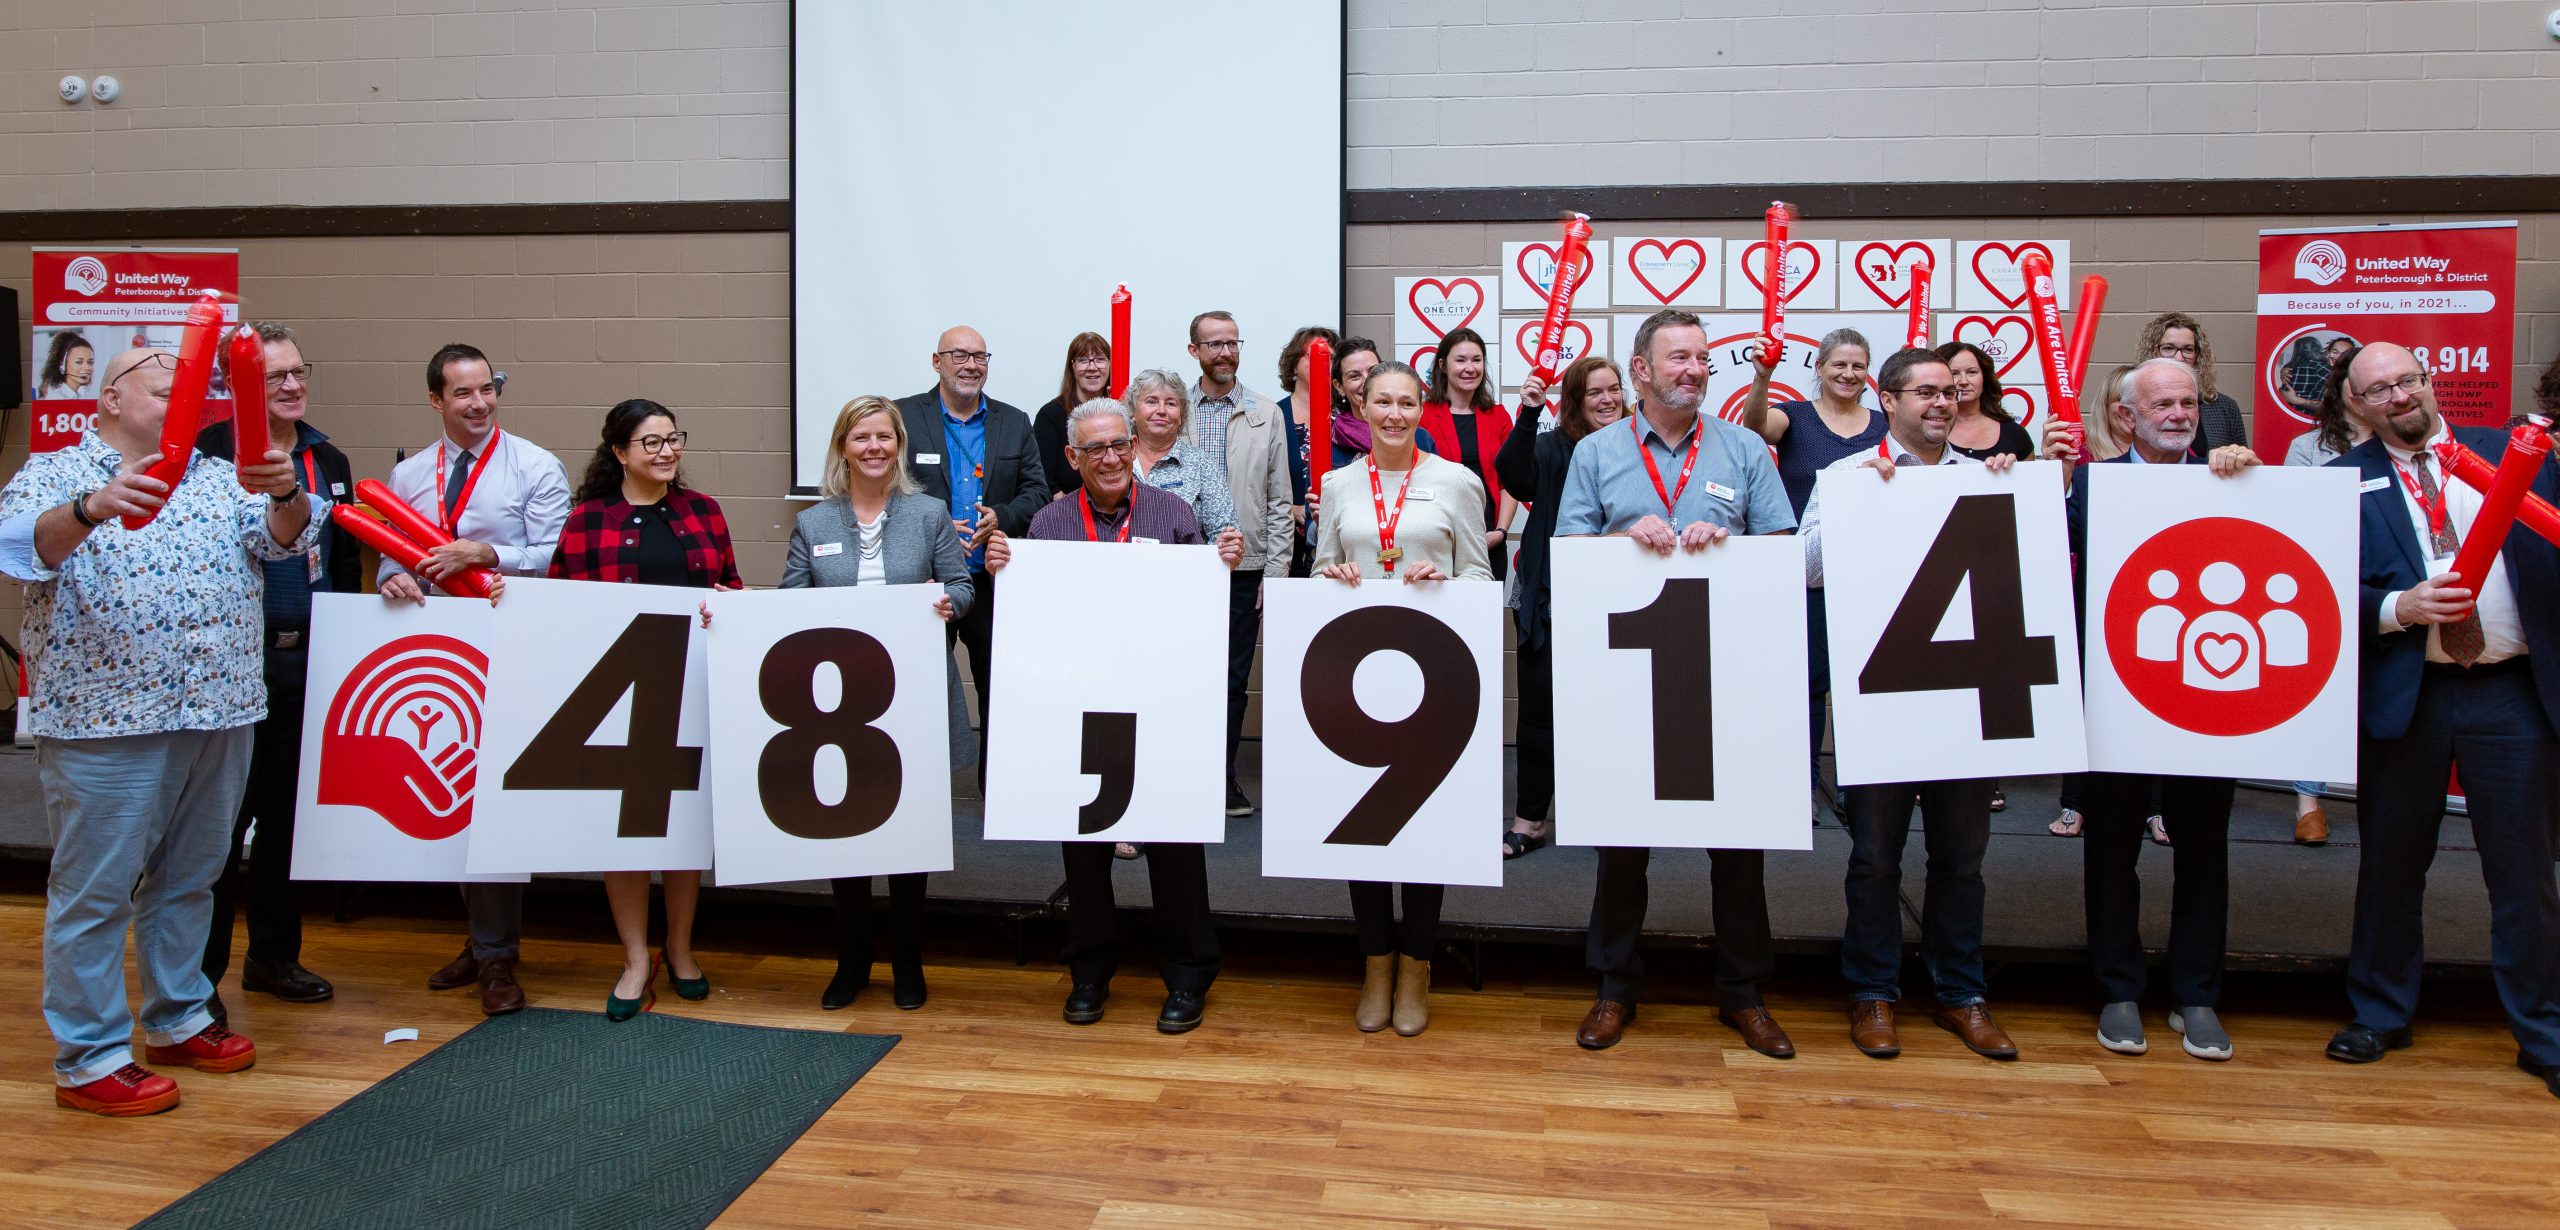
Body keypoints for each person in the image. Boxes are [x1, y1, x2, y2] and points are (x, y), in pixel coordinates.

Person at [1, 346, 323, 1116]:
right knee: (96, 890)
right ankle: (89, 1057)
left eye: (190, 392)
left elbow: (283, 541)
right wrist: (92, 507)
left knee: (193, 876)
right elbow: (21, 550)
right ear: (111, 398)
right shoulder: (56, 471)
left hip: (220, 707)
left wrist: (287, 493)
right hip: (106, 718)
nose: (185, 402)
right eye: (163, 389)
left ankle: (178, 1017)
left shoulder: (219, 477)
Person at [1552, 308, 1799, 1059]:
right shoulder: (1596, 452)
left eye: (1701, 359)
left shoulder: (1745, 447)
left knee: (1739, 841)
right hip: (1630, 678)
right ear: (1641, 370)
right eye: (1678, 358)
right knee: (1622, 842)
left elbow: (1782, 545)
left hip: (1729, 675)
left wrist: (1731, 546)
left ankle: (1744, 993)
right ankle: (1613, 987)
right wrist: (1618, 538)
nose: (1694, 370)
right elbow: (1567, 549)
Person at [2324, 342, 2560, 1099]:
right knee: (2390, 866)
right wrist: (2399, 607)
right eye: (2379, 389)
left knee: (2525, 872)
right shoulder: (2339, 482)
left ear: (2430, 383)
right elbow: (2319, 591)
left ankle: (2545, 1031)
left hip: (2512, 691)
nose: (2399, 396)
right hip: (2409, 693)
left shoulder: (2520, 458)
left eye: (2408, 380)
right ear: (2356, 404)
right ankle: (2379, 1013)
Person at [1800, 347, 2046, 1063]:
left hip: (1968, 693)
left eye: (1950, 392)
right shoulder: (1850, 475)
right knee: (1875, 857)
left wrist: (2024, 488)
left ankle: (1961, 993)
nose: (1943, 403)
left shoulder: (1988, 474)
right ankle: (1872, 991)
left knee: (1961, 859)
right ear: (1889, 400)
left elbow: (2034, 566)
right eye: (1926, 393)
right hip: (1884, 695)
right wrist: (1859, 507)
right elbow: (1806, 570)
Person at [989, 398, 1245, 1034]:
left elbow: (1198, 609)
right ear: (1072, 458)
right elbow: (1034, 621)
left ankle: (1188, 974)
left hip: (1160, 703)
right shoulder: (1049, 524)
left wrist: (1220, 565)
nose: (1109, 458)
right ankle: (1089, 972)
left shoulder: (1174, 513)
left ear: (1133, 447)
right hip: (1081, 705)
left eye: (1118, 445)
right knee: (1083, 848)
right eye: (1094, 449)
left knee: (1175, 843)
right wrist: (1005, 574)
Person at [2060, 358, 2262, 1062]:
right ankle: (2118, 988)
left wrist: (2256, 480)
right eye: (2163, 405)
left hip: (2208, 692)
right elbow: (2043, 546)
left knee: (2204, 847)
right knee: (2111, 847)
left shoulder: (2232, 479)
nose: (2179, 415)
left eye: (2188, 404)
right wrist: (2050, 477)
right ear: (2127, 416)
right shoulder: (2090, 483)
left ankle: (2197, 994)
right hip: (2117, 691)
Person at [379, 342, 572, 1016]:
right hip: (434, 658)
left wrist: (488, 552)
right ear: (436, 401)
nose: (480, 403)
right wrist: (392, 577)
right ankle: (482, 940)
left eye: (488, 388)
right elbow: (392, 556)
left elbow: (556, 557)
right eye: (463, 393)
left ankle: (496, 954)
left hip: (509, 649)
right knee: (451, 798)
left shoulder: (534, 466)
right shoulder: (408, 475)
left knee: (495, 801)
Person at [1308, 360, 1493, 1036]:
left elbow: (1480, 575)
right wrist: (1333, 575)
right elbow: (1318, 571)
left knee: (1423, 828)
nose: (1393, 414)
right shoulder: (1338, 484)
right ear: (1362, 405)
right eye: (1381, 402)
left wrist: (1442, 582)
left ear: (1423, 408)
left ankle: (1417, 965)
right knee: (1364, 827)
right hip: (1358, 679)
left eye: (1406, 403)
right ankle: (1376, 963)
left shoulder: (1457, 481)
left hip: (1432, 674)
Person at [544, 399, 741, 1021]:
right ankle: (635, 958)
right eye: (650, 442)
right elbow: (557, 602)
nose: (666, 451)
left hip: (691, 685)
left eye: (672, 439)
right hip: (615, 696)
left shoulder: (704, 511)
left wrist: (725, 605)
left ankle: (680, 949)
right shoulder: (586, 520)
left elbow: (733, 587)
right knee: (626, 830)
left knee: (683, 827)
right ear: (619, 452)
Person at [783, 395, 977, 1012]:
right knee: (847, 832)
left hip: (911, 699)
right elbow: (789, 606)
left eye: (884, 437)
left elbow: (963, 585)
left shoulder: (928, 513)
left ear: (898, 446)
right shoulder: (814, 524)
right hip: (837, 707)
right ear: (843, 447)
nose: (874, 447)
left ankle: (907, 959)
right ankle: (853, 958)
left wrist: (948, 603)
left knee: (908, 834)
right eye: (861, 437)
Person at [192, 323, 359, 1022]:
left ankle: (273, 958)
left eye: (298, 371)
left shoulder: (328, 457)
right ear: (239, 388)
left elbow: (344, 563)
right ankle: (196, 983)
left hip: (307, 660)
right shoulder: (205, 456)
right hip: (235, 665)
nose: (292, 385)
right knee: (218, 829)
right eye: (274, 376)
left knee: (288, 821)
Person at [1740, 327, 1887, 821]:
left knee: (1863, 685)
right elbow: (1755, 427)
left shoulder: (1885, 425)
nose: (1848, 373)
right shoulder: (1796, 417)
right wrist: (1762, 377)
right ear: (1819, 368)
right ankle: (1801, 786)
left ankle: (1859, 789)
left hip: (1869, 574)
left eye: (1858, 366)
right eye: (1839, 364)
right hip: (1805, 573)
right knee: (1807, 685)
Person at [895, 326, 1049, 788]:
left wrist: (1002, 516)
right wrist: (934, 522)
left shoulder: (1013, 421)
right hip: (926, 583)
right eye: (959, 355)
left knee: (998, 688)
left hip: (991, 580)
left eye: (980, 356)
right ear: (936, 361)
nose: (970, 365)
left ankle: (996, 790)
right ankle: (914, 787)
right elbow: (883, 486)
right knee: (917, 688)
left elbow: (1038, 492)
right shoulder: (902, 417)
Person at [1496, 354, 1627, 859]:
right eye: (1595, 392)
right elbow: (1513, 476)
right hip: (1549, 600)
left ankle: (1609, 814)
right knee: (1539, 713)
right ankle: (1529, 821)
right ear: (1574, 400)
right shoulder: (1553, 447)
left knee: (1615, 711)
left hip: (1622, 600)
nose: (1607, 400)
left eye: (1614, 389)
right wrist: (1529, 411)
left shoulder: (1638, 446)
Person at [1185, 310, 1294, 818]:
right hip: (1181, 564)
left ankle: (1221, 778)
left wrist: (1275, 572)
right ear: (1195, 351)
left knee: (1231, 680)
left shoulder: (1264, 413)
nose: (1225, 352)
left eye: (1232, 343)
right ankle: (1179, 774)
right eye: (1214, 344)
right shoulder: (1173, 407)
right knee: (1180, 672)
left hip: (1244, 569)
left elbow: (1279, 499)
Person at [2283, 345, 2370, 845]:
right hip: (2320, 580)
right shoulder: (2308, 446)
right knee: (2318, 690)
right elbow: (2291, 515)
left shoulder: (2401, 446)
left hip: (2386, 582)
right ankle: (2308, 801)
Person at [1417, 327, 1519, 583]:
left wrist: (1501, 531)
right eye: (1460, 360)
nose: (1470, 368)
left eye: (1476, 360)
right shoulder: (1422, 416)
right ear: (1442, 365)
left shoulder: (1499, 416)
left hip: (1488, 538)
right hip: (1435, 535)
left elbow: (1509, 482)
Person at [1128, 368, 1239, 539]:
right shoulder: (1116, 458)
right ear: (1133, 412)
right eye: (1151, 401)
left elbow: (1225, 533)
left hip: (1186, 557)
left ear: (1182, 416)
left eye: (1171, 404)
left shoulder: (1201, 464)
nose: (1161, 410)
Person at [1275, 326, 1341, 576]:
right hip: (1287, 544)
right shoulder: (1273, 416)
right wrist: (1291, 509)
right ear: (1293, 365)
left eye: (1332, 358)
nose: (1324, 361)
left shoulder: (1347, 419)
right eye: (1311, 354)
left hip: (1337, 541)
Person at [2141, 312, 2250, 450]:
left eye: (2188, 349)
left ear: (2197, 356)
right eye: (2168, 348)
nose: (2179, 358)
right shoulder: (2134, 402)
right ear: (2152, 352)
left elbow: (2241, 458)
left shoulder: (2225, 407)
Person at [1034, 332, 1111, 500]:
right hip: (1067, 507)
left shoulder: (1120, 413)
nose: (1092, 367)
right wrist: (1068, 509)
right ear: (1072, 366)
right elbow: (1042, 475)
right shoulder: (1050, 415)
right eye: (1083, 360)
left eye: (1100, 359)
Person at [1938, 339, 2036, 462]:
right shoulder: (1927, 430)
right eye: (1954, 373)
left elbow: (2032, 474)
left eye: (1972, 372)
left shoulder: (2015, 433)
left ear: (1984, 378)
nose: (1964, 381)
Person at [2276, 334, 2332, 420]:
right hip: (2309, 415)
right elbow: (2339, 381)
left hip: (2289, 413)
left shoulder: (2289, 367)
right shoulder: (2319, 367)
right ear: (2317, 349)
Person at [37, 332, 94, 400]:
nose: (87, 368)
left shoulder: (79, 396)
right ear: (62, 365)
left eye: (90, 362)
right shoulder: (56, 398)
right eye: (79, 362)